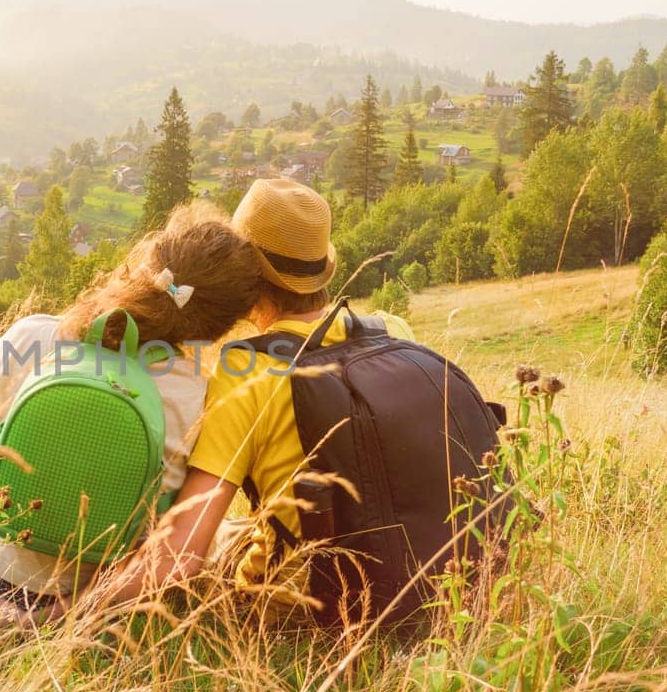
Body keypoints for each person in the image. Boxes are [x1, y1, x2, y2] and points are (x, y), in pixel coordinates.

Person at [86, 178, 419, 618]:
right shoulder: (390, 330)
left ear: (246, 274)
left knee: (214, 536)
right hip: (427, 570)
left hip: (309, 597)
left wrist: (65, 612)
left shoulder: (248, 371)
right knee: (231, 531)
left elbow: (180, 557)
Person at [0, 203, 264, 621]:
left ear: (148, 263)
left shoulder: (29, 336)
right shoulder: (200, 398)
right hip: (117, 606)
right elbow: (174, 552)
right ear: (220, 327)